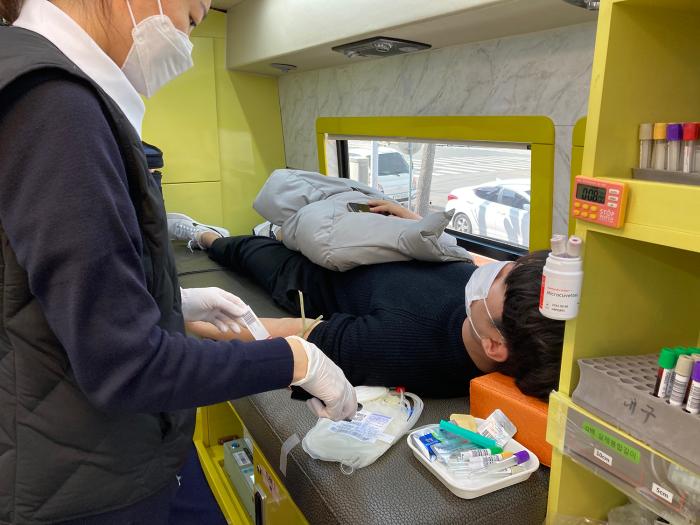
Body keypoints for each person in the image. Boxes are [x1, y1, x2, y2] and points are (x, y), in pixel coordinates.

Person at [0, 1, 355, 523]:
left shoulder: (31, 77)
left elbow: (36, 286)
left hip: (93, 451)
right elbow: (127, 367)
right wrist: (296, 360)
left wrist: (171, 302)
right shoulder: (57, 107)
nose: (189, 34)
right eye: (191, 15)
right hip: (85, 482)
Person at [171, 200, 566, 401]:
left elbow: (287, 333)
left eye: (500, 277)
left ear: (495, 345)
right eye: (508, 265)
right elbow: (461, 258)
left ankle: (206, 235)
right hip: (376, 239)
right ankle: (278, 229)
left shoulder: (401, 346)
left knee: (241, 250)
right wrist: (410, 219)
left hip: (313, 274)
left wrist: (178, 314)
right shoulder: (485, 310)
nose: (494, 270)